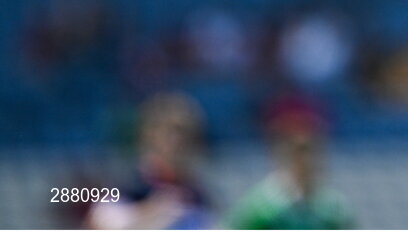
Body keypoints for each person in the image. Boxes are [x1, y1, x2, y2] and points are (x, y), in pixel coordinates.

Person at [86, 91, 215, 229]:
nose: (178, 143)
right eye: (169, 133)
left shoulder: (197, 193)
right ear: (148, 136)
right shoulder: (131, 184)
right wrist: (152, 210)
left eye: (186, 135)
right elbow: (101, 223)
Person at [226, 96, 356, 229]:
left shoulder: (333, 209)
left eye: (313, 151)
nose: (307, 161)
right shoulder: (262, 208)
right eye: (299, 152)